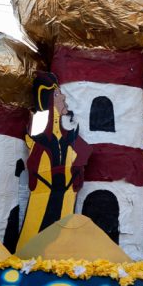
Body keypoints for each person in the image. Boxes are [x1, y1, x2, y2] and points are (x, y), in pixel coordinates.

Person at [16, 71, 91, 250]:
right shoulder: (39, 142)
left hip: (66, 195)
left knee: (62, 236)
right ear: (50, 100)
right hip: (43, 197)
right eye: (57, 94)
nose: (64, 97)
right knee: (37, 233)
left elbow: (85, 153)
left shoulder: (70, 137)